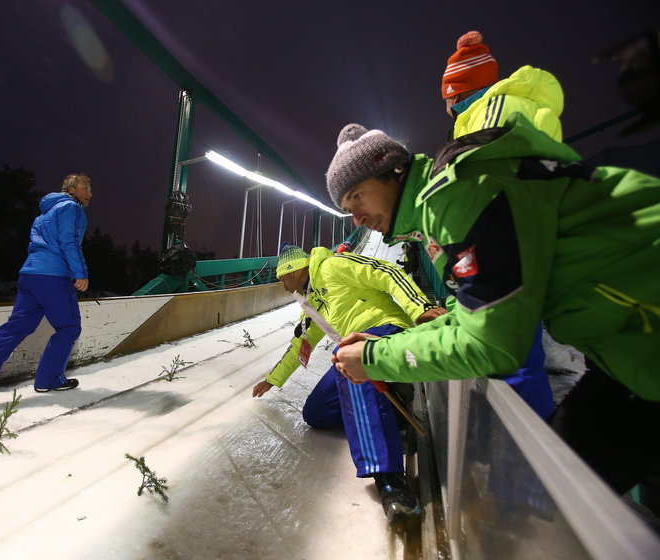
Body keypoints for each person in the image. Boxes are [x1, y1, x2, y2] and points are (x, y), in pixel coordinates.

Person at [324, 118, 660, 503]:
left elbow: (491, 346)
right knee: (565, 483)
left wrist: (374, 358)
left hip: (644, 327)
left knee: (559, 488)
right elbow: (468, 313)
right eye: (348, 209)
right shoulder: (435, 213)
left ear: (394, 171)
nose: (357, 219)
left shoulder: (460, 195)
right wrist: (399, 341)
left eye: (358, 198)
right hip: (628, 343)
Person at [252, 242, 446, 521]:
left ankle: (389, 478)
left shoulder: (333, 266)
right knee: (315, 412)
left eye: (283, 278)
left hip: (387, 330)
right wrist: (272, 380)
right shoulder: (311, 301)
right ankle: (391, 411)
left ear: (296, 269)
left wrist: (420, 308)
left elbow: (387, 272)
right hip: (356, 348)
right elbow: (300, 345)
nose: (283, 286)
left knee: (346, 357)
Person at [438, 30, 558, 419]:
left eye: (447, 99)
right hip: (534, 243)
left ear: (457, 93)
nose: (447, 109)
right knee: (524, 357)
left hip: (507, 256)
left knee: (513, 364)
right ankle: (528, 454)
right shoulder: (523, 106)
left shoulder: (484, 118)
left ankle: (521, 468)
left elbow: (481, 192)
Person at [0, 173, 92, 406]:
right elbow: (69, 241)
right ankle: (50, 379)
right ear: (72, 190)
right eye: (86, 188)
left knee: (14, 328)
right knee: (68, 327)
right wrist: (80, 272)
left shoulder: (44, 214)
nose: (90, 193)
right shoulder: (71, 207)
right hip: (53, 276)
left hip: (30, 275)